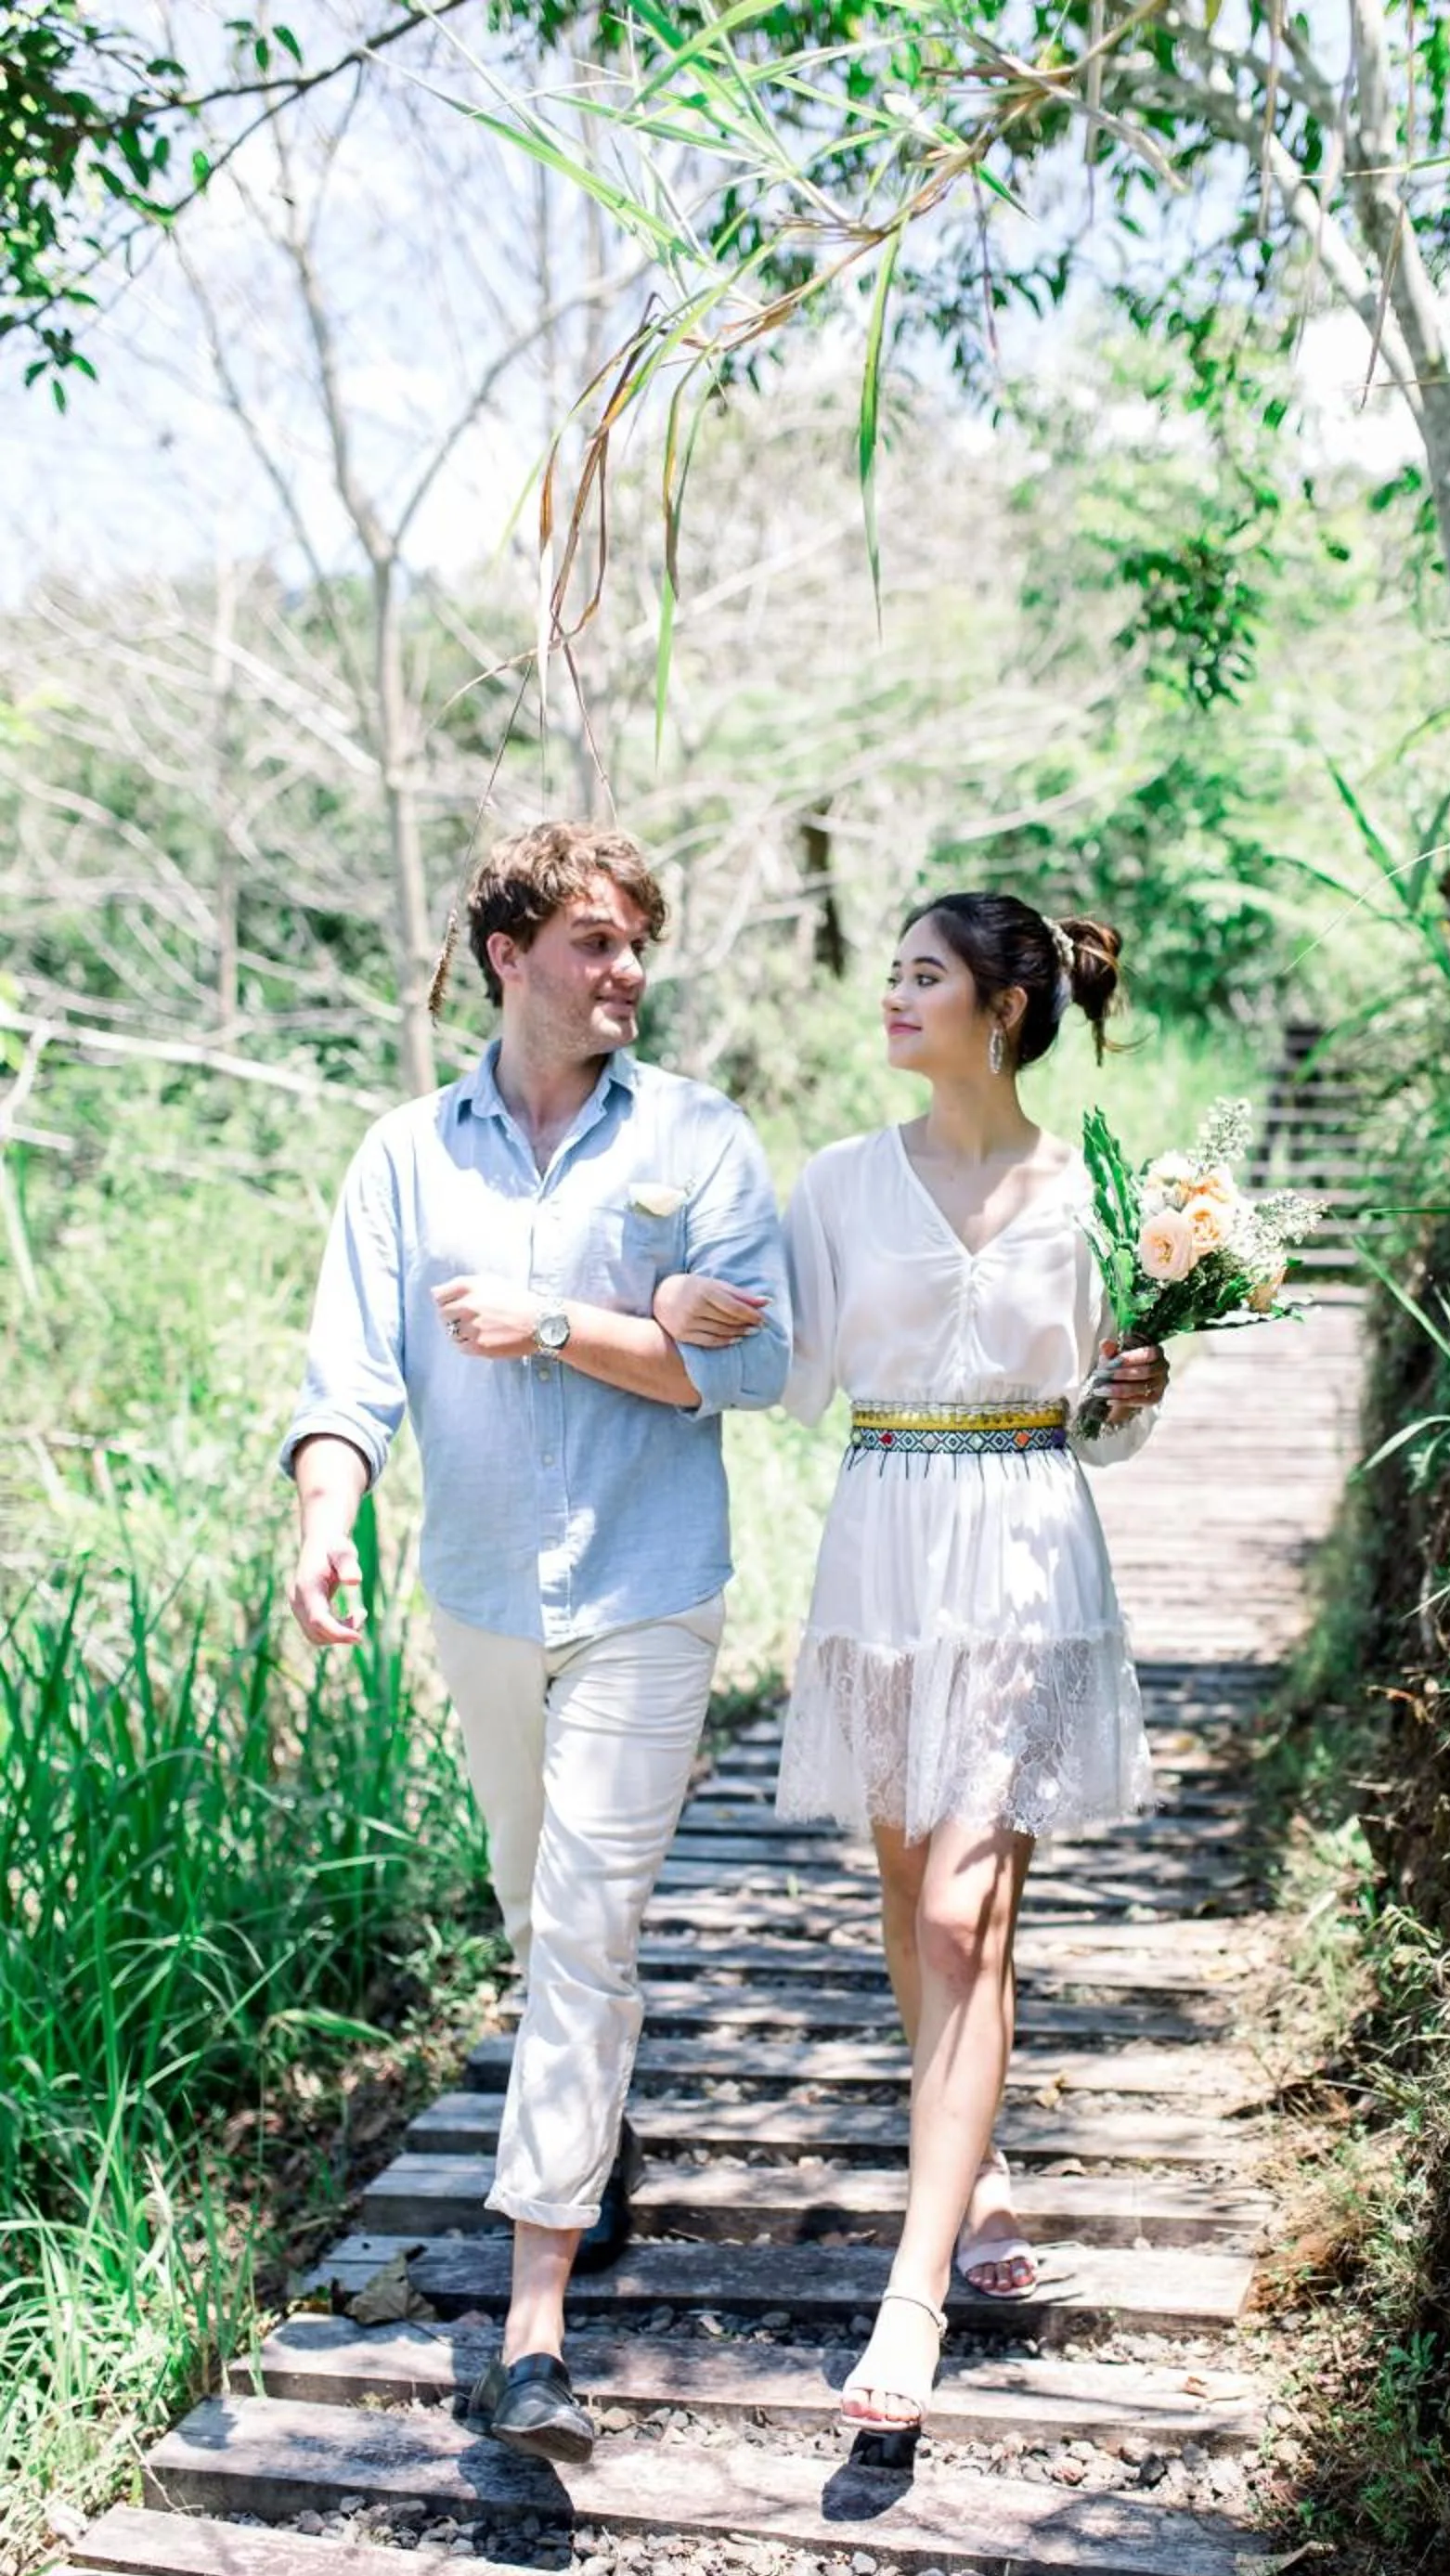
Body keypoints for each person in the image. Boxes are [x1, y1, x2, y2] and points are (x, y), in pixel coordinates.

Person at [283, 821, 789, 2466]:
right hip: (482, 1593)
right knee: (533, 1904)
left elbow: (751, 1370)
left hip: (650, 1584)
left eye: (639, 941)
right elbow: (348, 1384)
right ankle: (595, 2144)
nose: (625, 968)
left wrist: (560, 1325)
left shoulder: (700, 1139)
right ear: (509, 956)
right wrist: (318, 1524)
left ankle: (533, 2340)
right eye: (593, 940)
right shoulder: (404, 1159)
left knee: (583, 1928)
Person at [664, 889, 1166, 2434]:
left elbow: (1116, 1418)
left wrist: (1138, 1381)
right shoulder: (833, 1185)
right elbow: (786, 1373)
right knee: (913, 1899)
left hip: (1025, 1543)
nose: (891, 998)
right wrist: (679, 1307)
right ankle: (983, 2166)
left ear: (1003, 1010)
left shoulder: (1096, 1185)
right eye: (890, 975)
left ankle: (913, 2289)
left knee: (966, 1912)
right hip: (881, 1540)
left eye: (923, 977)